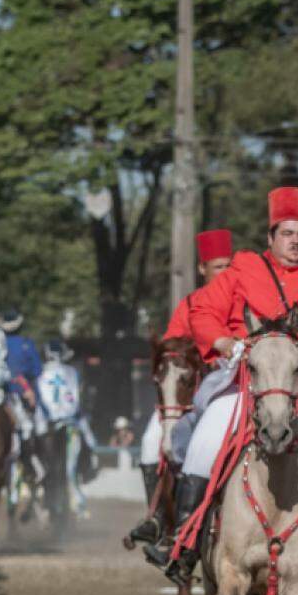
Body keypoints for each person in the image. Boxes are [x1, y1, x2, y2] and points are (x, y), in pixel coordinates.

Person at [145, 189, 298, 582]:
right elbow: (203, 310)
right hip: (248, 385)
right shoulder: (243, 270)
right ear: (270, 238)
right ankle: (182, 543)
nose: (296, 241)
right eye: (286, 233)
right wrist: (223, 341)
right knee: (203, 445)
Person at [130, 228, 235, 548]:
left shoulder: (242, 301)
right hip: (186, 396)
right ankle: (158, 518)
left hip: (231, 391)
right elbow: (171, 345)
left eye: (228, 266)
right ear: (202, 269)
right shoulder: (190, 304)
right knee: (150, 442)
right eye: (218, 266)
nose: (224, 273)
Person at [37, 339, 98, 514]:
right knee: (89, 442)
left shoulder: (40, 372)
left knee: (26, 439)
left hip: (47, 422)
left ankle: (34, 473)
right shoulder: (72, 372)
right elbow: (76, 401)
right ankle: (89, 468)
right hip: (70, 421)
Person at [0, 307, 44, 482]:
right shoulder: (27, 344)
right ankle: (29, 463)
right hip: (19, 395)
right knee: (29, 428)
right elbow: (37, 371)